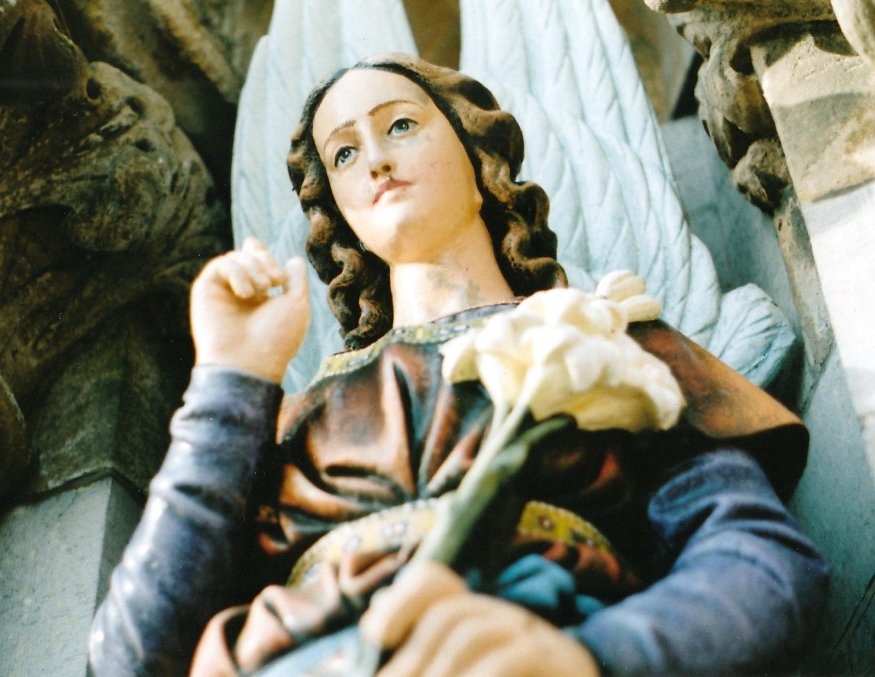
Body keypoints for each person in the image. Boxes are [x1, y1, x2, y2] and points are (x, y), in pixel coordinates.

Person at [89, 54, 828, 676]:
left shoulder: (609, 340)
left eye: (400, 125)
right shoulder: (285, 417)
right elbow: (132, 658)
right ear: (339, 214)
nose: (375, 160)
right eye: (343, 153)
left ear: (480, 162)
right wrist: (229, 378)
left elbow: (760, 559)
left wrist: (591, 655)